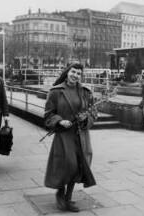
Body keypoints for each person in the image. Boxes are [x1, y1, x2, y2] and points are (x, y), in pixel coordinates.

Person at [43, 63, 97, 213]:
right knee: (66, 164)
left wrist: (86, 119)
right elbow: (48, 114)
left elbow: (94, 113)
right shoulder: (56, 91)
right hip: (64, 135)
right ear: (67, 72)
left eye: (79, 73)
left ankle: (68, 197)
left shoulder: (85, 92)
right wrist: (59, 120)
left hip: (81, 135)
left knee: (78, 165)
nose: (75, 75)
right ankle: (60, 192)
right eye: (73, 72)